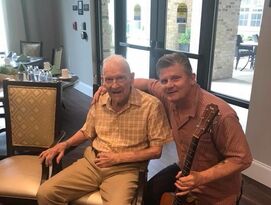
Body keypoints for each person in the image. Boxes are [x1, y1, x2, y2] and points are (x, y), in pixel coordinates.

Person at [93, 52, 252, 205]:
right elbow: (147, 83)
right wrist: (113, 87)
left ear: (192, 78)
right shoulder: (167, 94)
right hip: (185, 170)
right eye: (164, 80)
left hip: (216, 188)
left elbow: (242, 159)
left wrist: (201, 178)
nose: (169, 85)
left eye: (176, 78)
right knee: (148, 194)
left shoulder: (222, 115)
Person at [37, 54, 171, 205]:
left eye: (120, 78)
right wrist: (65, 144)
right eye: (109, 79)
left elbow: (156, 151)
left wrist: (118, 158)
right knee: (46, 193)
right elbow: (87, 131)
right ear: (103, 81)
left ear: (131, 78)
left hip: (124, 170)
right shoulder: (99, 99)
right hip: (92, 163)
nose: (114, 85)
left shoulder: (151, 106)